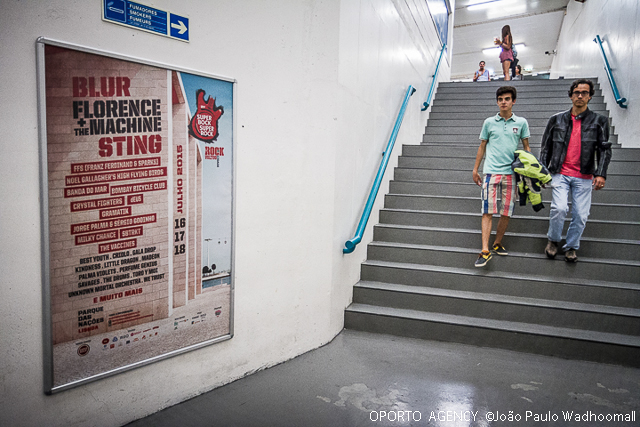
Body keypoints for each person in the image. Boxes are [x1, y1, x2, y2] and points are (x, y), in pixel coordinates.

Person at [539, 79, 612, 263]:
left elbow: (604, 149)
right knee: (559, 208)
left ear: (590, 96)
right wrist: (542, 172)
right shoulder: (556, 120)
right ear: (571, 95)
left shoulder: (599, 121)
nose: (580, 96)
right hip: (560, 173)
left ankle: (571, 246)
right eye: (577, 92)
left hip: (584, 175)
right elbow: (545, 148)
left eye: (584, 93)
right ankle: (553, 240)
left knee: (581, 214)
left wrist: (601, 173)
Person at [472, 86, 530, 267]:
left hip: (511, 174)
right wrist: (475, 169)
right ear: (497, 102)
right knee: (487, 210)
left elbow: (527, 148)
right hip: (490, 172)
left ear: (513, 101)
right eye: (500, 99)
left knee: (506, 211)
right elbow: (482, 146)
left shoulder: (521, 123)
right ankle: (484, 250)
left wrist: (530, 171)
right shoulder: (489, 122)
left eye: (507, 99)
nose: (503, 102)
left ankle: (497, 243)